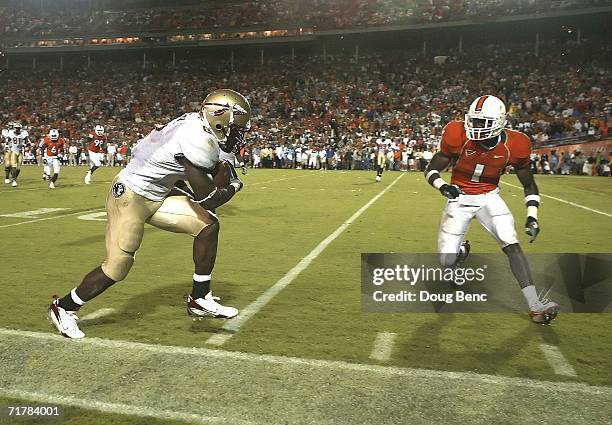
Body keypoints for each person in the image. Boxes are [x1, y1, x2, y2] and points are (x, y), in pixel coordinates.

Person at [48, 89, 251, 338]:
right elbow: (208, 198)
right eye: (235, 125)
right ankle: (63, 307)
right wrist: (234, 184)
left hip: (158, 193)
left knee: (208, 226)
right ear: (218, 116)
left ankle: (199, 298)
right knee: (117, 267)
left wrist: (225, 160)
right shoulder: (197, 139)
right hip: (130, 197)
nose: (237, 132)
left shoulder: (198, 123)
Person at [425, 95, 558, 324]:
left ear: (498, 122)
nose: (475, 127)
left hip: (488, 197)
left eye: (481, 122)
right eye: (473, 120)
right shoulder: (457, 135)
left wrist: (532, 216)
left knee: (511, 243)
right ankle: (459, 257)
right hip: (460, 196)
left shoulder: (516, 145)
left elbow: (529, 183)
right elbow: (432, 169)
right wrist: (443, 186)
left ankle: (535, 305)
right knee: (446, 260)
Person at [6, 122, 29, 187]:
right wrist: (7, 146)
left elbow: (27, 141)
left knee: (18, 168)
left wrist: (26, 144)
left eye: (18, 128)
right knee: (14, 166)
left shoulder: (23, 134)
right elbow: (7, 140)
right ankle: (14, 180)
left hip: (20, 152)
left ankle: (14, 178)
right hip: (13, 152)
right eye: (16, 128)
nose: (17, 129)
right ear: (14, 128)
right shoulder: (11, 134)